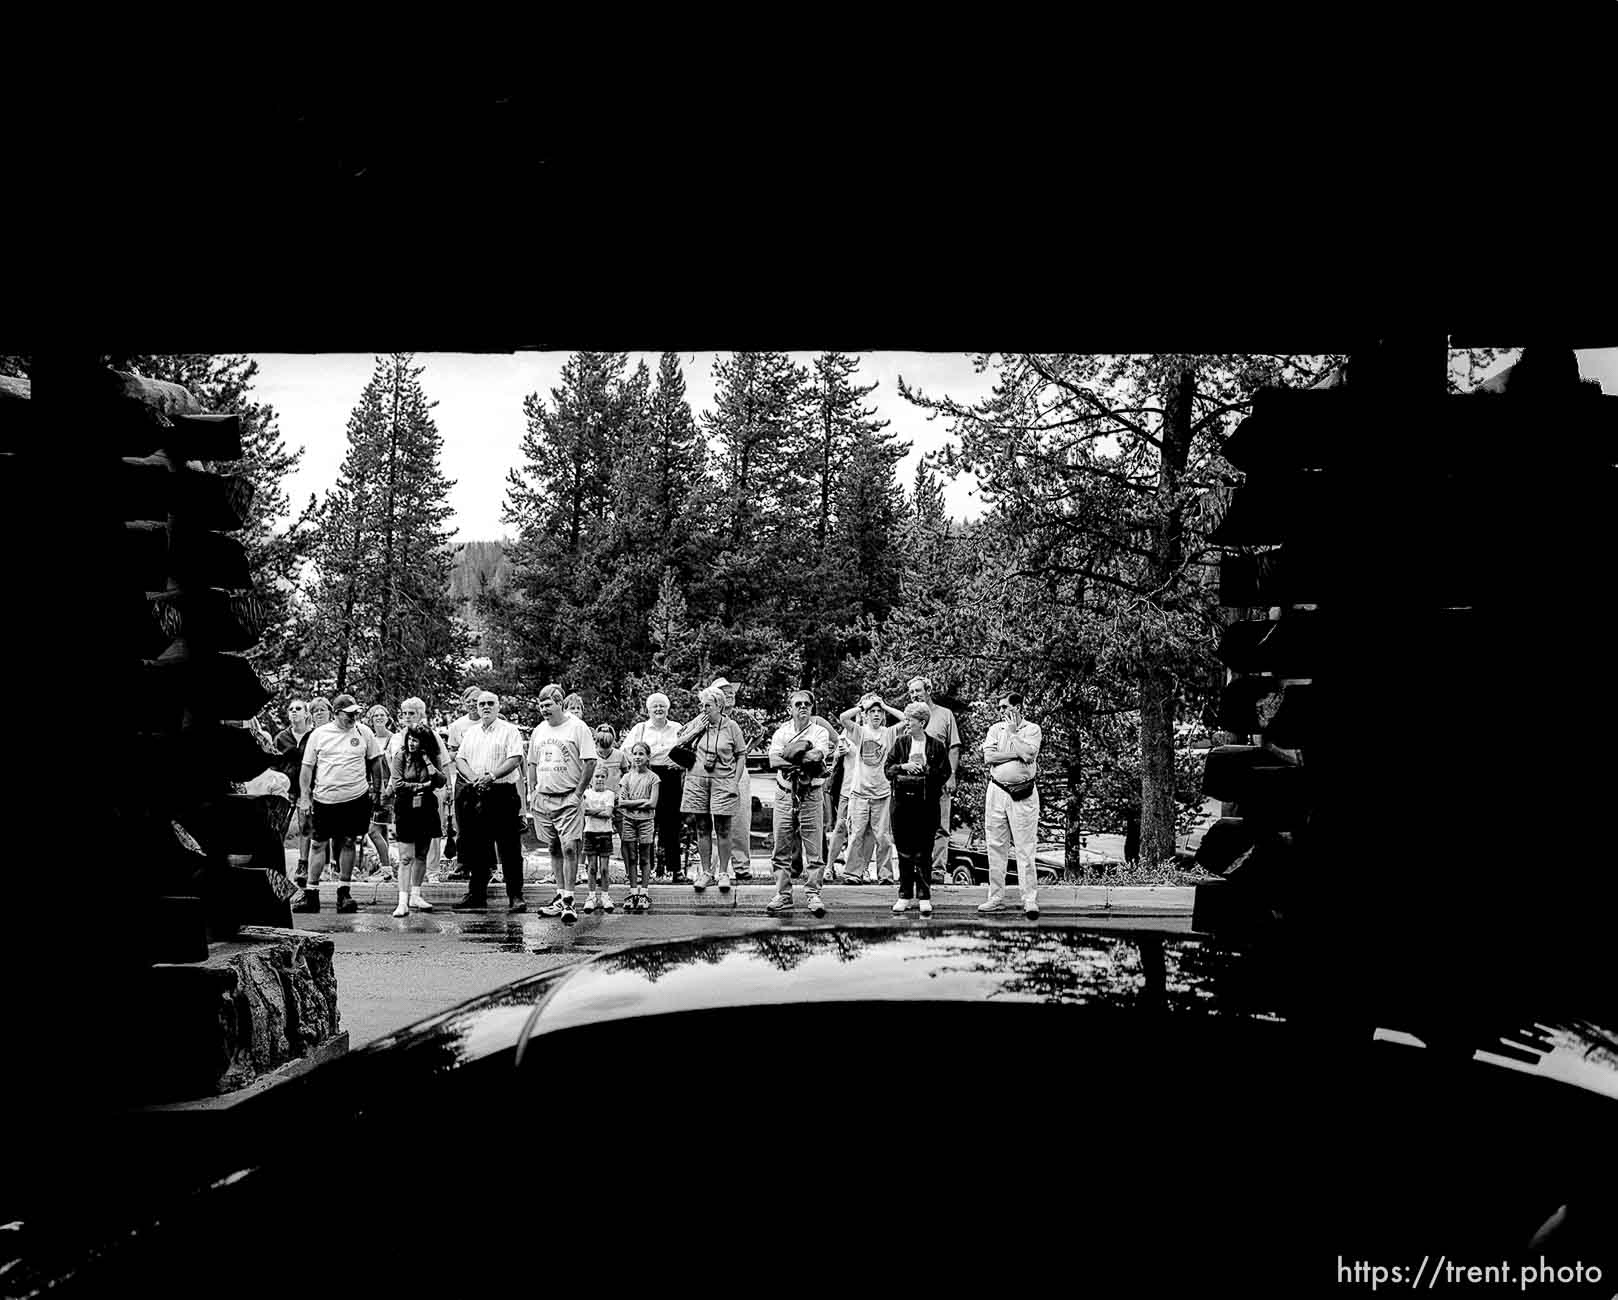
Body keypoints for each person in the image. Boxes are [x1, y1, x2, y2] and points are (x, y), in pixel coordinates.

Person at [294, 693, 384, 914]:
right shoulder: (319, 734)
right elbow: (307, 768)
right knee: (317, 844)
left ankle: (344, 893)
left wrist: (376, 789)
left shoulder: (364, 732)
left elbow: (375, 762)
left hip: (356, 796)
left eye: (356, 713)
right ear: (336, 714)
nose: (354, 717)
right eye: (349, 714)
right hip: (325, 798)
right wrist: (305, 796)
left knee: (348, 842)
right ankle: (311, 894)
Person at [451, 690, 528, 914]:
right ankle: (476, 895)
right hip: (476, 792)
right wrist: (475, 779)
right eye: (481, 704)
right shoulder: (471, 733)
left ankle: (516, 896)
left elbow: (515, 759)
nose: (485, 707)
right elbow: (460, 759)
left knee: (509, 848)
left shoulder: (509, 730)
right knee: (478, 847)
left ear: (498, 706)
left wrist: (491, 776)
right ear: (476, 707)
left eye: (490, 703)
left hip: (502, 792)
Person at [526, 683, 597, 924]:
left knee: (570, 846)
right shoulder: (539, 730)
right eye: (541, 705)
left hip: (568, 797)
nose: (544, 709)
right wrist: (532, 791)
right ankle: (559, 895)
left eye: (548, 705)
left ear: (560, 704)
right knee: (553, 846)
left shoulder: (577, 728)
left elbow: (590, 762)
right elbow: (532, 763)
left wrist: (578, 793)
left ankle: (569, 900)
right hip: (544, 797)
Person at [764, 690, 836, 916]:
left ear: (812, 708)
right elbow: (773, 760)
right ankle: (783, 894)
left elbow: (817, 757)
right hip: (784, 793)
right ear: (790, 709)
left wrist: (790, 755)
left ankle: (813, 894)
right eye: (798, 704)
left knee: (814, 847)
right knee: (781, 845)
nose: (802, 707)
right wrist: (800, 756)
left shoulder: (820, 731)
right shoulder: (781, 731)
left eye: (807, 704)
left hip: (812, 794)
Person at [672, 686, 747, 892]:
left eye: (708, 705)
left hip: (723, 780)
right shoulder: (698, 721)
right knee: (702, 827)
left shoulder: (731, 727)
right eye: (702, 704)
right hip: (697, 780)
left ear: (719, 706)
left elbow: (741, 754)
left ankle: (723, 872)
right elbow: (678, 744)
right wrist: (696, 730)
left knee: (723, 828)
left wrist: (735, 780)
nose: (703, 708)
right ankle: (706, 872)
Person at [977, 691, 1044, 918]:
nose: (1001, 711)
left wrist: (1015, 736)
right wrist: (1013, 754)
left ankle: (1029, 899)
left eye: (1005, 707)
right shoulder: (995, 729)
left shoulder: (1032, 729)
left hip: (1023, 793)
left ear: (1017, 707)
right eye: (1000, 708)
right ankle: (995, 897)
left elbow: (1028, 755)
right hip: (997, 790)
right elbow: (989, 758)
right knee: (995, 846)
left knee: (1025, 848)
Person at [829, 693, 906, 884]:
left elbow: (905, 719)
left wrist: (884, 704)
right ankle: (853, 873)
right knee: (856, 835)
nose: (876, 715)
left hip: (882, 792)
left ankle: (885, 875)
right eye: (873, 712)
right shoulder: (860, 732)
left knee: (884, 838)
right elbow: (843, 718)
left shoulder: (888, 733)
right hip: (859, 793)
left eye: (879, 712)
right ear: (867, 715)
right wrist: (863, 707)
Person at [884, 700, 951, 916]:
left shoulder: (937, 746)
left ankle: (924, 896)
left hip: (926, 805)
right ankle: (904, 895)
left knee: (924, 850)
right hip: (902, 804)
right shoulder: (900, 743)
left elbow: (944, 773)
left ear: (922, 722)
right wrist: (904, 766)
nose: (906, 724)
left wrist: (924, 769)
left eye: (910, 720)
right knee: (903, 850)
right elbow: (888, 770)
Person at [386, 697, 449, 917]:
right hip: (406, 808)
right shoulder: (400, 756)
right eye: (410, 739)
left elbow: (440, 780)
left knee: (422, 854)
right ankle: (402, 900)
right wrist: (421, 785)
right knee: (406, 856)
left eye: (416, 740)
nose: (412, 743)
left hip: (426, 807)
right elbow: (398, 784)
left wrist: (428, 762)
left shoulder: (429, 756)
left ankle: (416, 893)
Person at [625, 693, 688, 884]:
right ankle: (647, 869)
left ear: (668, 708)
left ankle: (675, 870)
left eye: (662, 706)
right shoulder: (640, 729)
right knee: (647, 824)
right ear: (648, 709)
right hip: (647, 776)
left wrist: (681, 764)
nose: (658, 709)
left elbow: (689, 750)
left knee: (672, 825)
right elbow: (626, 750)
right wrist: (639, 766)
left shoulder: (677, 728)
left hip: (671, 777)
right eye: (655, 706)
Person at [908, 676, 963, 883]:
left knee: (940, 826)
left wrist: (951, 776)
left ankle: (938, 870)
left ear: (928, 691)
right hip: (914, 782)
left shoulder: (944, 715)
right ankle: (916, 869)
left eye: (918, 691)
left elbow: (954, 747)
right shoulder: (910, 717)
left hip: (939, 780)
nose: (915, 695)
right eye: (912, 692)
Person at [709, 676, 756, 881]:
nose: (730, 695)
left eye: (731, 692)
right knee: (714, 822)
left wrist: (745, 752)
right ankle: (715, 868)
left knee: (740, 820)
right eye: (724, 691)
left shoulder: (741, 717)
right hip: (713, 772)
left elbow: (760, 733)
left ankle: (742, 866)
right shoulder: (707, 716)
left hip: (738, 770)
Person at [271, 698, 314, 885]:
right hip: (285, 789)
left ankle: (303, 864)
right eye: (291, 709)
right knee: (279, 828)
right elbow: (274, 764)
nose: (294, 712)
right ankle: (275, 865)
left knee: (306, 826)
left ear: (306, 713)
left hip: (306, 788)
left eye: (298, 709)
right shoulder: (281, 737)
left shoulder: (314, 735)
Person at [441, 686, 481, 878]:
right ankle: (463, 864)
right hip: (464, 780)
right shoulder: (458, 726)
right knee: (463, 824)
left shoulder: (492, 722)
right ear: (464, 703)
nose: (473, 704)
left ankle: (489, 866)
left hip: (486, 777)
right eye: (469, 701)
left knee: (485, 825)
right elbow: (451, 752)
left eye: (477, 700)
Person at [617, 741, 660, 912]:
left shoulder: (653, 778)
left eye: (641, 754)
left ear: (648, 756)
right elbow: (621, 802)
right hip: (628, 820)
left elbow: (653, 803)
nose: (638, 757)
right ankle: (633, 891)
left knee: (645, 856)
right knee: (631, 856)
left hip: (646, 821)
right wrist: (642, 802)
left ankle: (644, 891)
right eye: (635, 753)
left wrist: (632, 804)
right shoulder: (626, 777)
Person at [361, 704, 396, 881]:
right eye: (376, 716)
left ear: (388, 718)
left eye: (382, 715)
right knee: (380, 830)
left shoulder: (393, 739)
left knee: (373, 831)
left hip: (386, 789)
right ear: (371, 719)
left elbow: (395, 767)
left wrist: (388, 789)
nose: (379, 718)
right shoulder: (369, 738)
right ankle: (387, 870)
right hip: (370, 788)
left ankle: (387, 869)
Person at [590, 722, 629, 871]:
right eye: (601, 745)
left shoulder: (619, 755)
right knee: (592, 835)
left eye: (607, 746)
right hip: (597, 802)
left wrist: (622, 793)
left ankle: (629, 871)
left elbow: (627, 775)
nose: (604, 750)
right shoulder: (591, 755)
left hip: (617, 801)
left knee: (625, 836)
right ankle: (589, 870)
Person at [580, 768, 618, 914]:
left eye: (602, 776)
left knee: (604, 868)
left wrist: (594, 810)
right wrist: (599, 809)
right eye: (597, 776)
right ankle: (591, 897)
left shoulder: (609, 794)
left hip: (605, 834)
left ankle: (605, 896)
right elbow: (584, 811)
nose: (600, 779)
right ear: (591, 778)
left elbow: (608, 813)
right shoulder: (586, 793)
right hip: (590, 833)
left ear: (606, 778)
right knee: (592, 867)